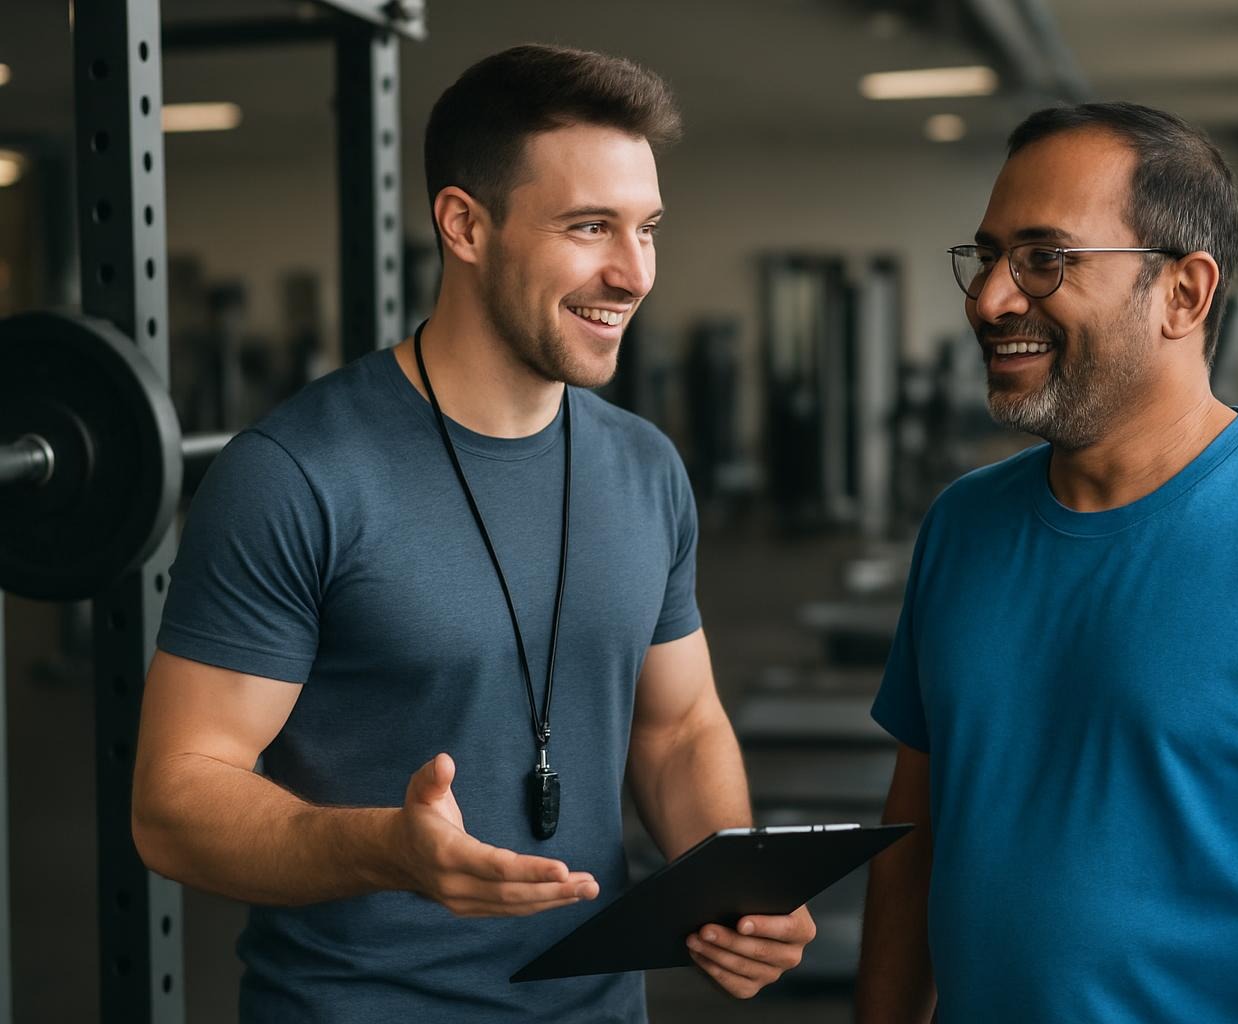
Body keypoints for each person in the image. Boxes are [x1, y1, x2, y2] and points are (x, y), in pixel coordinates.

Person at [131, 45, 813, 1022]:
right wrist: (385, 850)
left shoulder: (646, 467)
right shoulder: (296, 474)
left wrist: (732, 885)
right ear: (464, 225)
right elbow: (174, 802)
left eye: (648, 229)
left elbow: (675, 727)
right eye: (590, 227)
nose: (633, 273)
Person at [855, 102, 1238, 1023]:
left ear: (1184, 293)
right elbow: (914, 847)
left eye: (1045, 259)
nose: (990, 299)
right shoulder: (962, 526)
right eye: (987, 257)